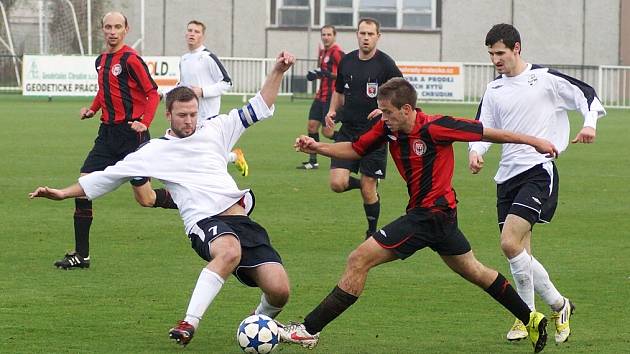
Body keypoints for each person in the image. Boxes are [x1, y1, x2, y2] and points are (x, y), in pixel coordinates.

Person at [29, 51, 296, 347]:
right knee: (229, 252)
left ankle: (257, 322)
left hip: (241, 220)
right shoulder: (155, 151)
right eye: (182, 115)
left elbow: (259, 106)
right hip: (204, 222)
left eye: (193, 113)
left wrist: (278, 71)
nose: (189, 120)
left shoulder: (216, 128)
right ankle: (188, 323)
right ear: (168, 115)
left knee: (279, 289)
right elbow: (106, 176)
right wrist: (63, 193)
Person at [282, 78, 557, 353]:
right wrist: (317, 147)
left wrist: (534, 142)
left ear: (406, 109)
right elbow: (355, 149)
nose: (383, 117)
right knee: (476, 271)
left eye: (388, 112)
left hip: (431, 215)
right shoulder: (388, 128)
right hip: (439, 217)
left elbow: (488, 133)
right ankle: (531, 318)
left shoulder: (437, 126)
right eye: (382, 111)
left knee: (358, 259)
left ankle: (308, 330)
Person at [468, 23, 606, 344]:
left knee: (508, 243)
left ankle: (538, 311)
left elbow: (586, 94)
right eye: (490, 54)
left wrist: (589, 125)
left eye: (500, 53)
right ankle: (548, 310)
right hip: (506, 177)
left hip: (538, 171)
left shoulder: (544, 78)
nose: (495, 60)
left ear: (517, 48)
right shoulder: (494, 90)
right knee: (519, 252)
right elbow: (482, 127)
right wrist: (476, 152)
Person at [53, 11, 160, 270]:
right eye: (108, 27)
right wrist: (92, 109)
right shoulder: (101, 60)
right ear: (102, 30)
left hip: (132, 136)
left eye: (117, 27)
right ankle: (82, 255)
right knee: (84, 187)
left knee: (145, 199)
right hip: (107, 135)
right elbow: (104, 91)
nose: (112, 31)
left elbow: (152, 93)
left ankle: (187, 199)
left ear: (126, 29)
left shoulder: (132, 60)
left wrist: (145, 122)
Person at [324, 18, 402, 238]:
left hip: (375, 133)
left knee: (369, 190)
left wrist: (385, 110)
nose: (366, 38)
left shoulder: (386, 64)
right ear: (356, 35)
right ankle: (366, 185)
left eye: (370, 34)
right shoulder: (347, 61)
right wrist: (331, 112)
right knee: (337, 183)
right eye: (362, 33)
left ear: (378, 36)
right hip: (347, 130)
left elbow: (402, 90)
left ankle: (371, 232)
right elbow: (339, 91)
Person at [179, 19, 248, 177]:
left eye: (196, 32)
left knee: (203, 152)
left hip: (208, 114)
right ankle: (233, 157)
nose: (192, 34)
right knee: (198, 151)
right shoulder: (183, 59)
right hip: (189, 114)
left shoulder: (208, 57)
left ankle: (227, 164)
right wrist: (165, 94)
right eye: (190, 30)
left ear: (202, 36)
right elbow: (182, 84)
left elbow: (227, 82)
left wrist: (203, 91)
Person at [297, 25, 344, 170]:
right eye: (323, 34)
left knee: (327, 132)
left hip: (331, 96)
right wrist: (315, 74)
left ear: (334, 36)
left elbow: (344, 73)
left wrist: (328, 74)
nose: (326, 37)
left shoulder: (338, 53)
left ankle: (349, 142)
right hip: (320, 96)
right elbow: (323, 71)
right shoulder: (323, 52)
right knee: (311, 126)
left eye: (329, 34)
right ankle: (313, 161)